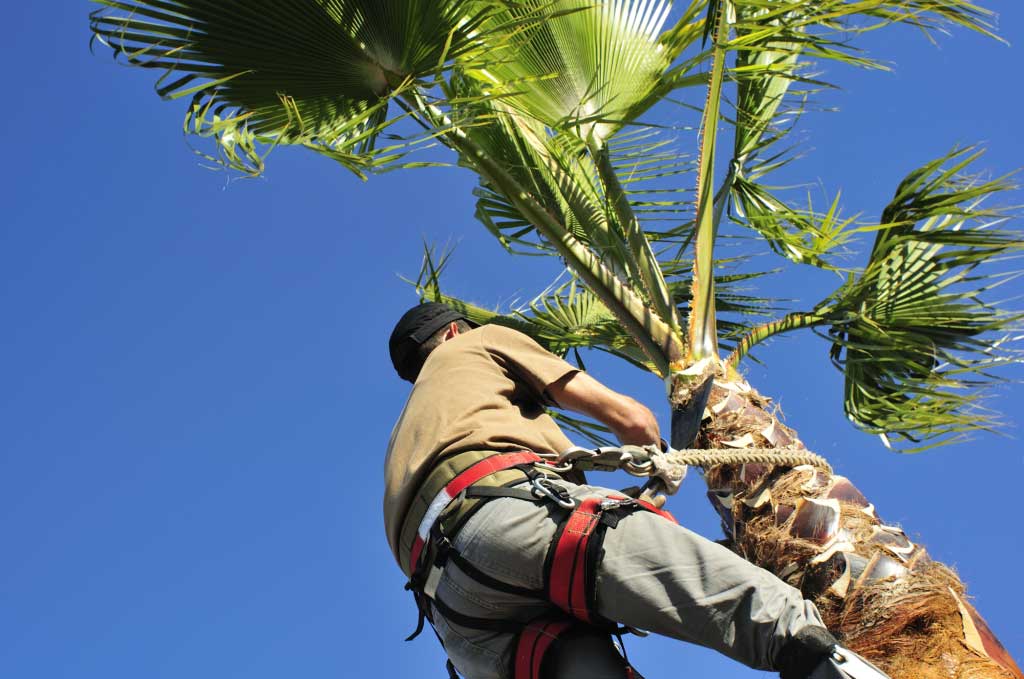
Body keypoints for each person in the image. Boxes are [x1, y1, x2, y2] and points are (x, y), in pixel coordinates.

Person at [384, 302, 888, 679]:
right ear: (453, 330)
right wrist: (657, 455)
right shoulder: (476, 344)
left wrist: (646, 503)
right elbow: (628, 418)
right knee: (768, 616)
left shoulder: (404, 440)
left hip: (459, 622)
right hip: (511, 521)